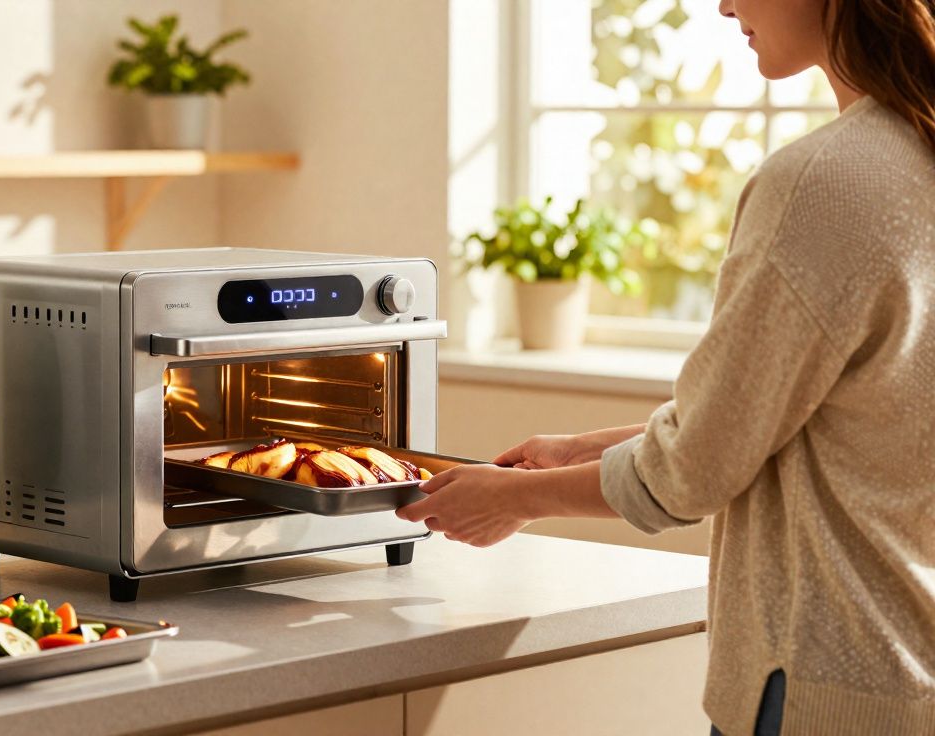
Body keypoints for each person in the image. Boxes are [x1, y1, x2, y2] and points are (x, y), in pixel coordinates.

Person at [397, 1, 935, 733]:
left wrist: (515, 499)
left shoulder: (822, 184)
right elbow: (810, 420)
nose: (723, 4)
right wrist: (584, 449)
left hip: (817, 686)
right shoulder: (915, 154)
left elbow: (694, 470)